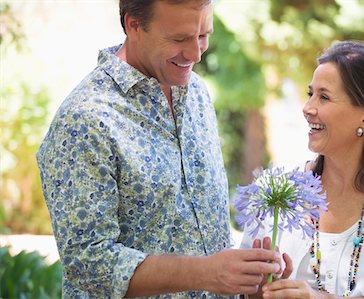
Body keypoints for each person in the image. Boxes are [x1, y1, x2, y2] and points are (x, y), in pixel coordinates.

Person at [36, 1, 281, 298]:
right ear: (134, 25)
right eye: (179, 39)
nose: (195, 54)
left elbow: (206, 233)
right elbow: (88, 262)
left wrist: (250, 277)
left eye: (203, 35)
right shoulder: (85, 118)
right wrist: (207, 272)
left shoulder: (197, 92)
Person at [241, 40, 364, 299]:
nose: (308, 108)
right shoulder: (278, 190)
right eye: (310, 94)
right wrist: (258, 290)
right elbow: (243, 291)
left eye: (324, 97)